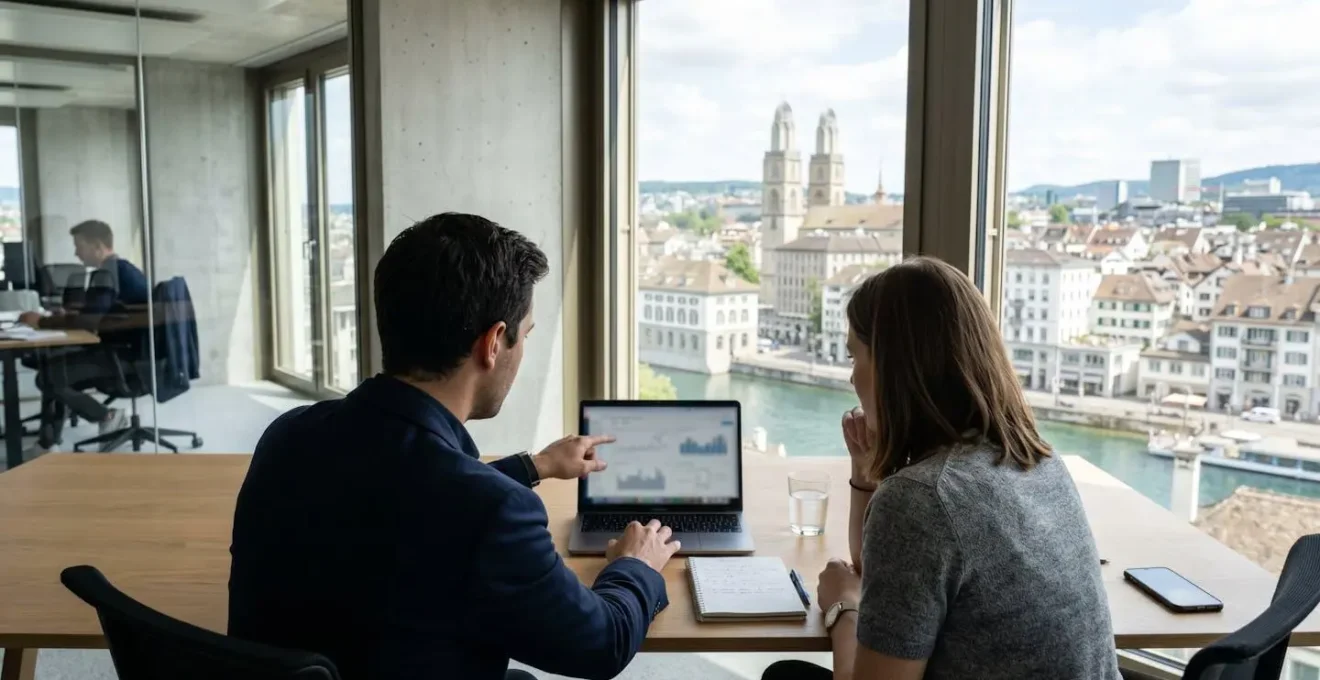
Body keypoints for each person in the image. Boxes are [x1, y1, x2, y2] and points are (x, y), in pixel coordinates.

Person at [229, 212, 680, 680]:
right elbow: (602, 644)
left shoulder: (290, 434)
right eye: (524, 335)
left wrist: (535, 465)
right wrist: (637, 565)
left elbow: (408, 497)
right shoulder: (491, 513)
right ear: (493, 343)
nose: (521, 352)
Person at [764, 257, 1118, 680]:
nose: (851, 378)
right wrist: (866, 474)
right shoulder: (1036, 458)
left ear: (895, 371)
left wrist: (844, 608)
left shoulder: (922, 499)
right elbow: (887, 576)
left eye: (855, 357)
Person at [20, 220, 149, 451]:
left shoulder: (109, 273)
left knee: (50, 376)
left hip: (125, 359)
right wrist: (71, 314)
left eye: (79, 246)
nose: (76, 253)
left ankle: (106, 417)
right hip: (131, 353)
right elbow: (98, 312)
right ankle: (48, 442)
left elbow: (89, 322)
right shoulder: (120, 269)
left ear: (97, 246)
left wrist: (41, 321)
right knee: (54, 367)